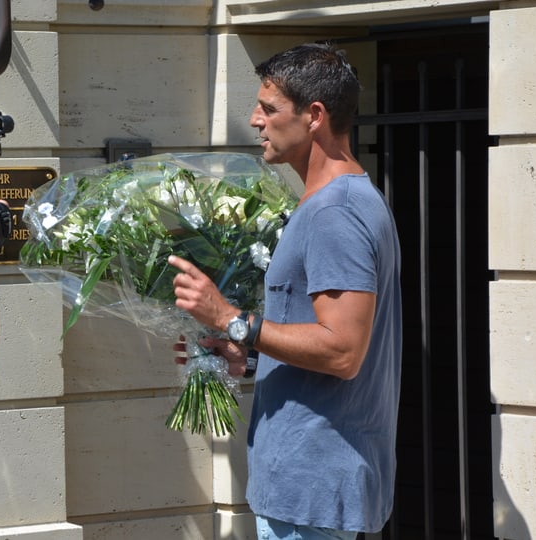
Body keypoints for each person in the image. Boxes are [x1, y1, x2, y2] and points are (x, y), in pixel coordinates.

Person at [169, 43, 402, 539]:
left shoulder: (335, 212)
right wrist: (246, 354)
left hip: (313, 491)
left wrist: (231, 318)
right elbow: (324, 342)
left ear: (314, 115)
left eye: (269, 109)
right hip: (308, 489)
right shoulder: (335, 202)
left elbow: (342, 352)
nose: (256, 120)